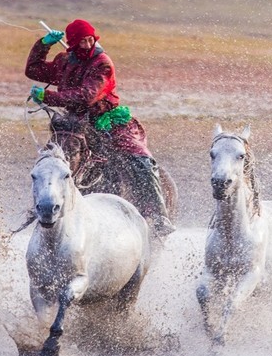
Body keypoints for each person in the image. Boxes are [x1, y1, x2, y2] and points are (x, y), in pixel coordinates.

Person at [25, 18, 174, 237]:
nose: (86, 45)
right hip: (75, 121)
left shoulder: (102, 63)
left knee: (140, 158)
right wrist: (43, 44)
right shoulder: (65, 61)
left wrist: (47, 96)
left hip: (108, 121)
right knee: (51, 160)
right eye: (81, 42)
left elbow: (86, 96)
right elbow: (34, 70)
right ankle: (45, 205)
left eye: (89, 40)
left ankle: (158, 214)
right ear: (72, 44)